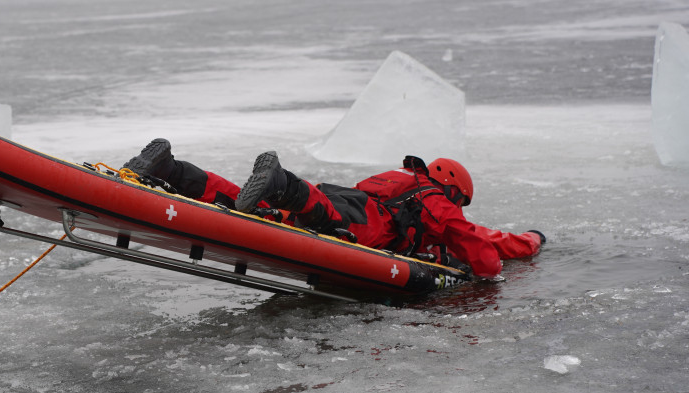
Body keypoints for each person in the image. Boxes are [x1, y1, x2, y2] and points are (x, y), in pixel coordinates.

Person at [121, 138, 544, 279]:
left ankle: (172, 170)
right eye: (461, 202)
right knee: (330, 223)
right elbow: (483, 252)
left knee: (251, 208)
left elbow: (495, 238)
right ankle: (282, 182)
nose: (460, 210)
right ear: (453, 187)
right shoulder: (434, 197)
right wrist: (483, 270)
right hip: (366, 222)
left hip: (343, 197)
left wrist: (532, 240)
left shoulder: (399, 183)